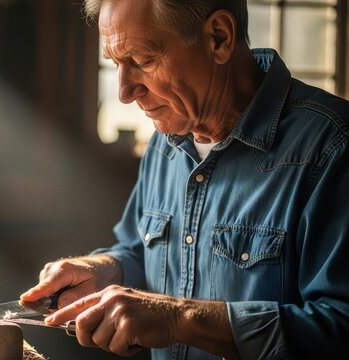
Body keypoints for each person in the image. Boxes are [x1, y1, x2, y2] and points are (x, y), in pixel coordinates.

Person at [20, 0, 349, 359]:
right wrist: (105, 269)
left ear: (219, 38)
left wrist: (181, 319)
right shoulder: (165, 142)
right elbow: (138, 251)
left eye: (142, 60)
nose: (125, 92)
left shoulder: (332, 148)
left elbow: (339, 330)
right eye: (117, 65)